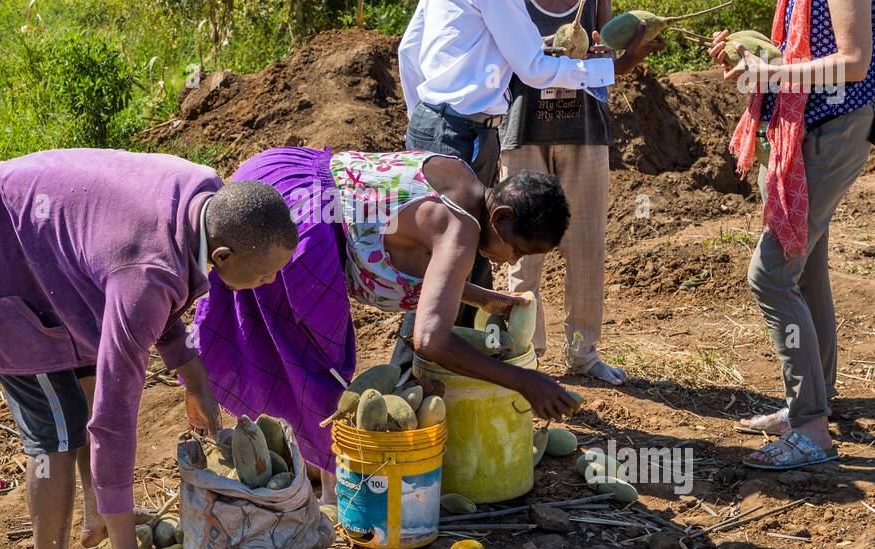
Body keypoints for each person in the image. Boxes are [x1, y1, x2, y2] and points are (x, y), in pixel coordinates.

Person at [0, 149, 296, 549]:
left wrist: (194, 377)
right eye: (266, 272)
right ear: (222, 256)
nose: (270, 281)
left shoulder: (207, 197)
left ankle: (98, 517)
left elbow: (161, 291)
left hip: (50, 237)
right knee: (57, 429)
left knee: (84, 372)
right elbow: (112, 419)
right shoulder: (142, 276)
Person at [193, 146, 583, 504]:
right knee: (316, 363)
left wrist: (483, 299)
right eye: (518, 249)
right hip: (302, 221)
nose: (513, 262)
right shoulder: (462, 230)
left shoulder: (460, 177)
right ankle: (335, 489)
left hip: (283, 179)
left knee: (289, 349)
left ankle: (293, 457)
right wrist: (524, 382)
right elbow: (431, 340)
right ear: (501, 217)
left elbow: (419, 259)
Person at [396, 0, 616, 369]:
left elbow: (410, 48)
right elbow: (534, 68)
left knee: (444, 270)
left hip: (445, 126)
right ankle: (436, 393)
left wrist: (424, 119)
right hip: (460, 131)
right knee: (458, 271)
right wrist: (607, 71)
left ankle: (431, 395)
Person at [707, 0, 875, 469]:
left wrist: (773, 78)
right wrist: (753, 59)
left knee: (769, 275)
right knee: (806, 272)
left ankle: (810, 429)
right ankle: (813, 399)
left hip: (834, 130)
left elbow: (853, 60)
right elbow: (797, 54)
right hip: (811, 127)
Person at [499, 0, 665, 384]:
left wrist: (633, 51)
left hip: (585, 125)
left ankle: (583, 352)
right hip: (523, 125)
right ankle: (529, 350)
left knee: (586, 241)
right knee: (521, 243)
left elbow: (603, 50)